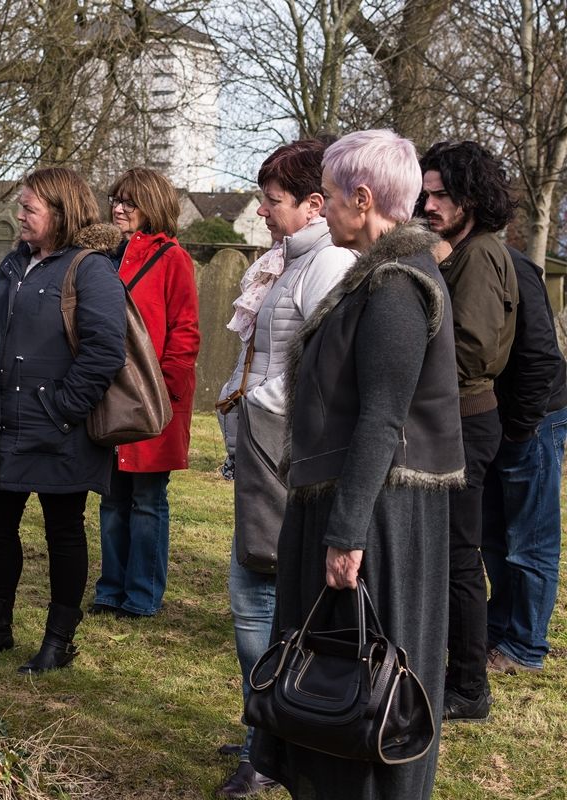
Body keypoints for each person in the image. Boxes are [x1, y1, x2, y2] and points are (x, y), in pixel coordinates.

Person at [250, 129, 464, 799]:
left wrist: (346, 534)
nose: (324, 208)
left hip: (377, 517)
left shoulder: (397, 284)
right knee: (333, 680)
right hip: (356, 504)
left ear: (363, 198)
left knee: (365, 684)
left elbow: (382, 417)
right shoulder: (376, 276)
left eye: (333, 196)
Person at [213, 139, 355, 798]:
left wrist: (256, 415)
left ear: (314, 204)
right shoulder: (286, 263)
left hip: (287, 466)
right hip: (262, 457)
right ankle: (264, 738)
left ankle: (270, 749)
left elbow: (324, 380)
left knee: (260, 609)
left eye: (273, 201)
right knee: (253, 605)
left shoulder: (327, 267)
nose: (264, 212)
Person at [0, 167, 127, 674]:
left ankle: (58, 642)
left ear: (61, 213)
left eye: (30, 208)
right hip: (3, 426)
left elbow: (105, 352)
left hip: (59, 431)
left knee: (63, 531)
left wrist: (60, 408)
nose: (19, 215)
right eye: (21, 206)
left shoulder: (90, 270)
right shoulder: (13, 262)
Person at [418, 140, 518, 722]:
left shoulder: (479, 254)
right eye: (425, 192)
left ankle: (468, 687)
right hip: (448, 418)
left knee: (459, 555)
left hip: (463, 422)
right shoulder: (458, 249)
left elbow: (473, 351)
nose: (428, 203)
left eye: (441, 194)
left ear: (471, 196)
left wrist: (410, 380)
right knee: (446, 553)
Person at [89, 168, 198, 619]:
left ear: (151, 205)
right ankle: (109, 590)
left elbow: (185, 333)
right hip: (108, 396)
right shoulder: (103, 256)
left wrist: (164, 396)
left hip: (153, 400)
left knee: (148, 500)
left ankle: (141, 596)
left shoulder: (173, 258)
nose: (118, 207)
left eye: (129, 202)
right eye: (116, 199)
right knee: (112, 499)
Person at [480, 244, 567, 673]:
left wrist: (520, 427)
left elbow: (541, 358)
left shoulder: (513, 266)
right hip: (497, 419)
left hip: (533, 418)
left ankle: (526, 646)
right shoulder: (460, 261)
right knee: (494, 534)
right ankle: (500, 628)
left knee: (530, 538)